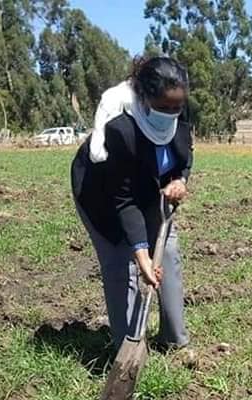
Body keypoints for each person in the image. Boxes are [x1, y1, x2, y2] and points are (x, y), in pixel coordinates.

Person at [71, 57, 191, 352]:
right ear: (144, 97)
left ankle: (174, 340)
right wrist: (141, 254)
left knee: (167, 253)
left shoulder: (181, 112)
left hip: (151, 191)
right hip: (103, 196)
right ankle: (127, 349)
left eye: (176, 107)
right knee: (122, 265)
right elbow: (123, 200)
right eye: (164, 107)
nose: (171, 113)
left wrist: (180, 180)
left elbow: (184, 156)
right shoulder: (121, 128)